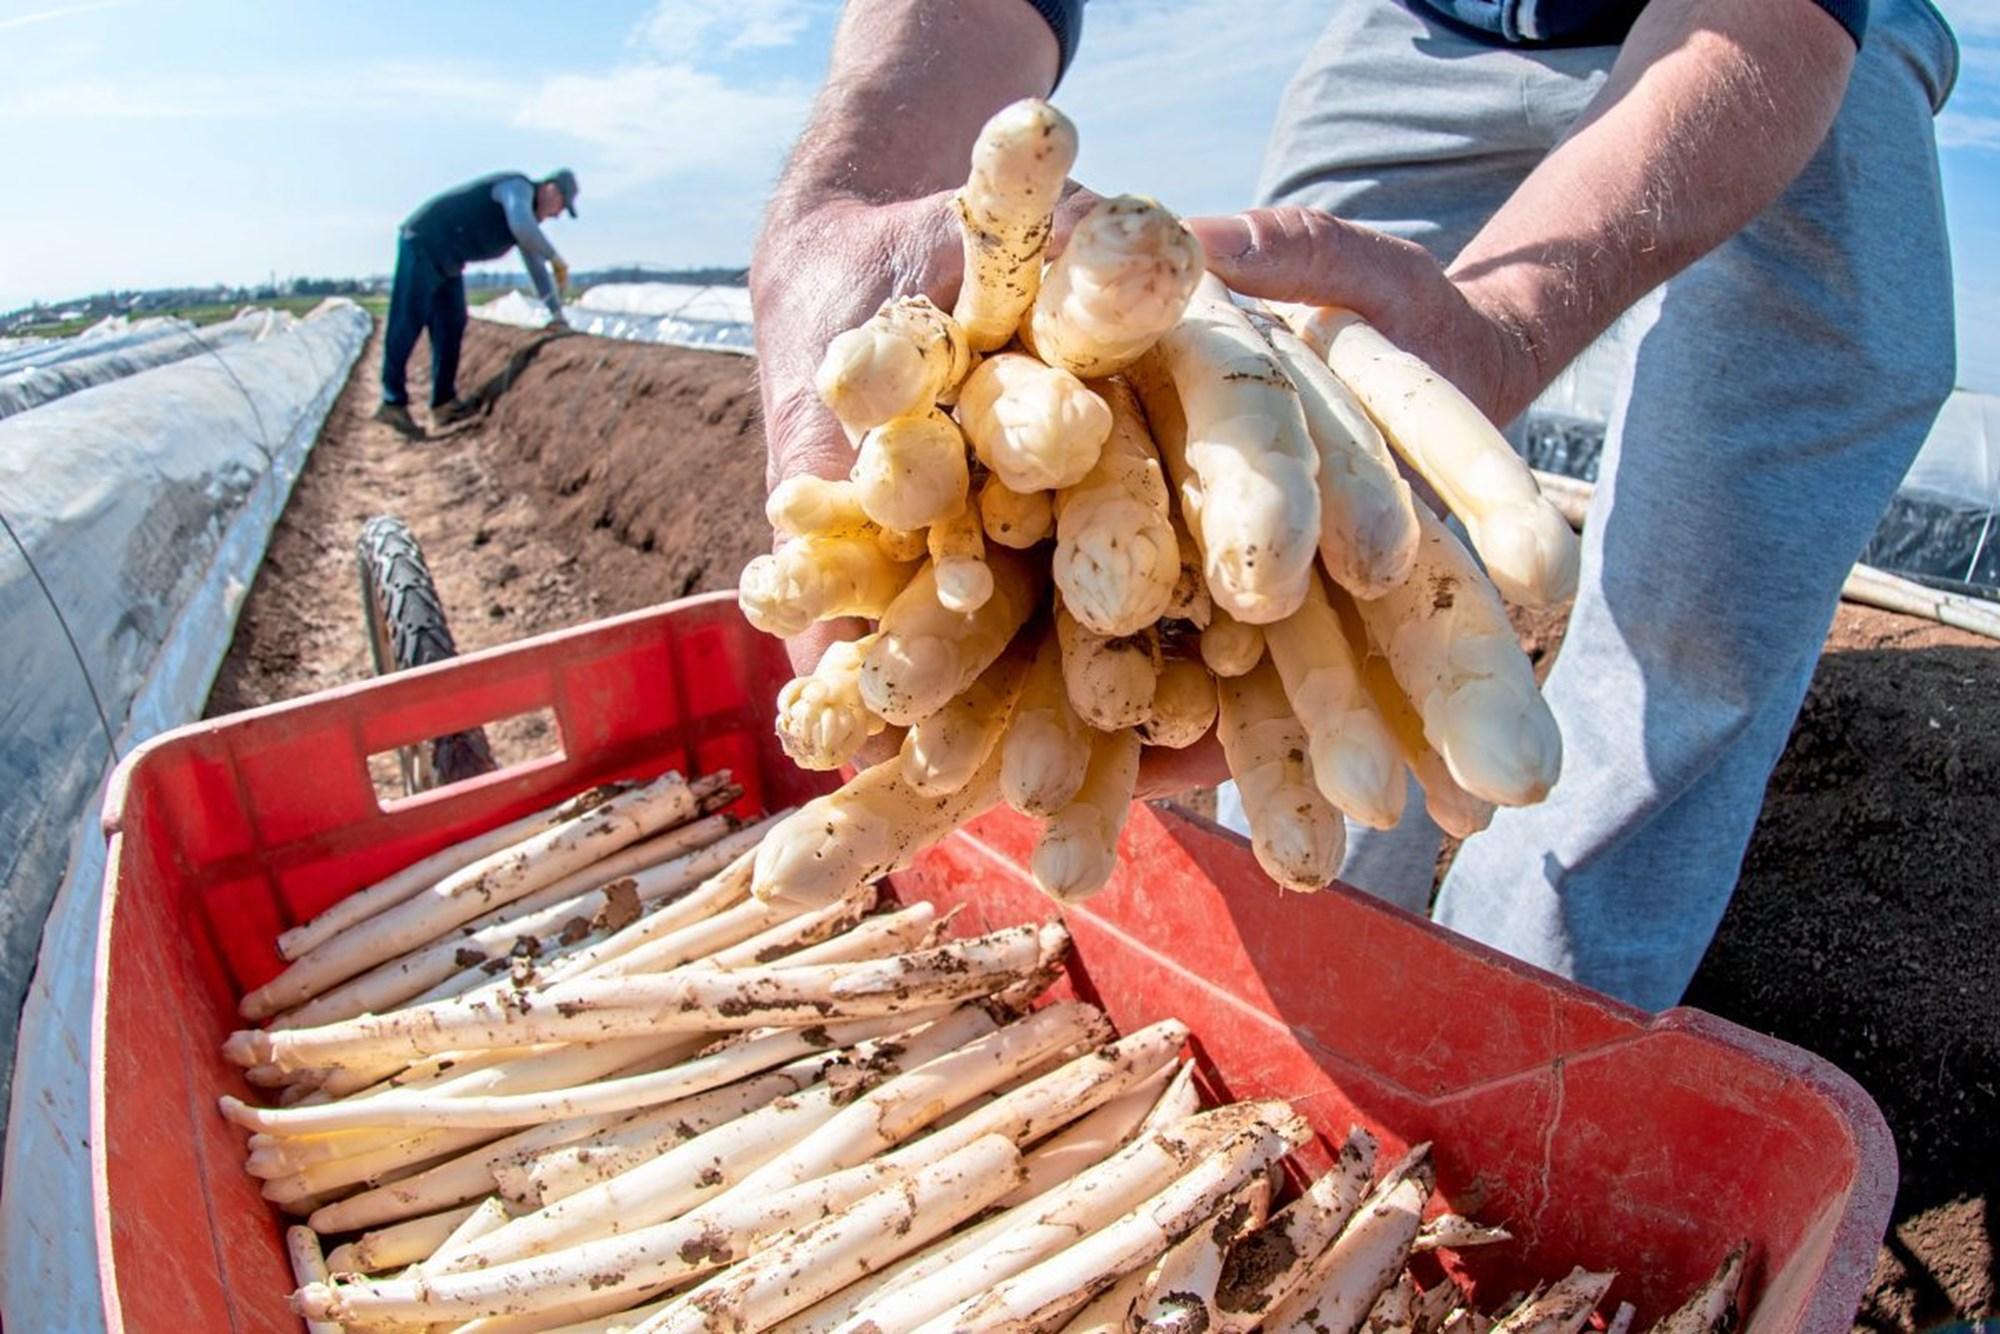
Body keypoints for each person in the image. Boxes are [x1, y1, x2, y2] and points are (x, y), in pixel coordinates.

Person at [749, 0, 1958, 1010]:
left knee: (1723, 570)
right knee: (1296, 620)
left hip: (1770, 35)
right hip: (1429, 24)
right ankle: (1309, 1001)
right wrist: (839, 207)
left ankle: (1533, 1017)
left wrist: (1506, 325)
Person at [375, 169, 580, 439]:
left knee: (452, 323)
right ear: (552, 189)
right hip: (424, 242)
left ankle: (443, 404)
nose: (556, 215)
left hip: (449, 259)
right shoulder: (518, 188)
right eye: (561, 206)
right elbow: (522, 227)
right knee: (408, 319)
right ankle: (392, 402)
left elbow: (536, 268)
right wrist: (555, 256)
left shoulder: (528, 221)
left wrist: (556, 315)